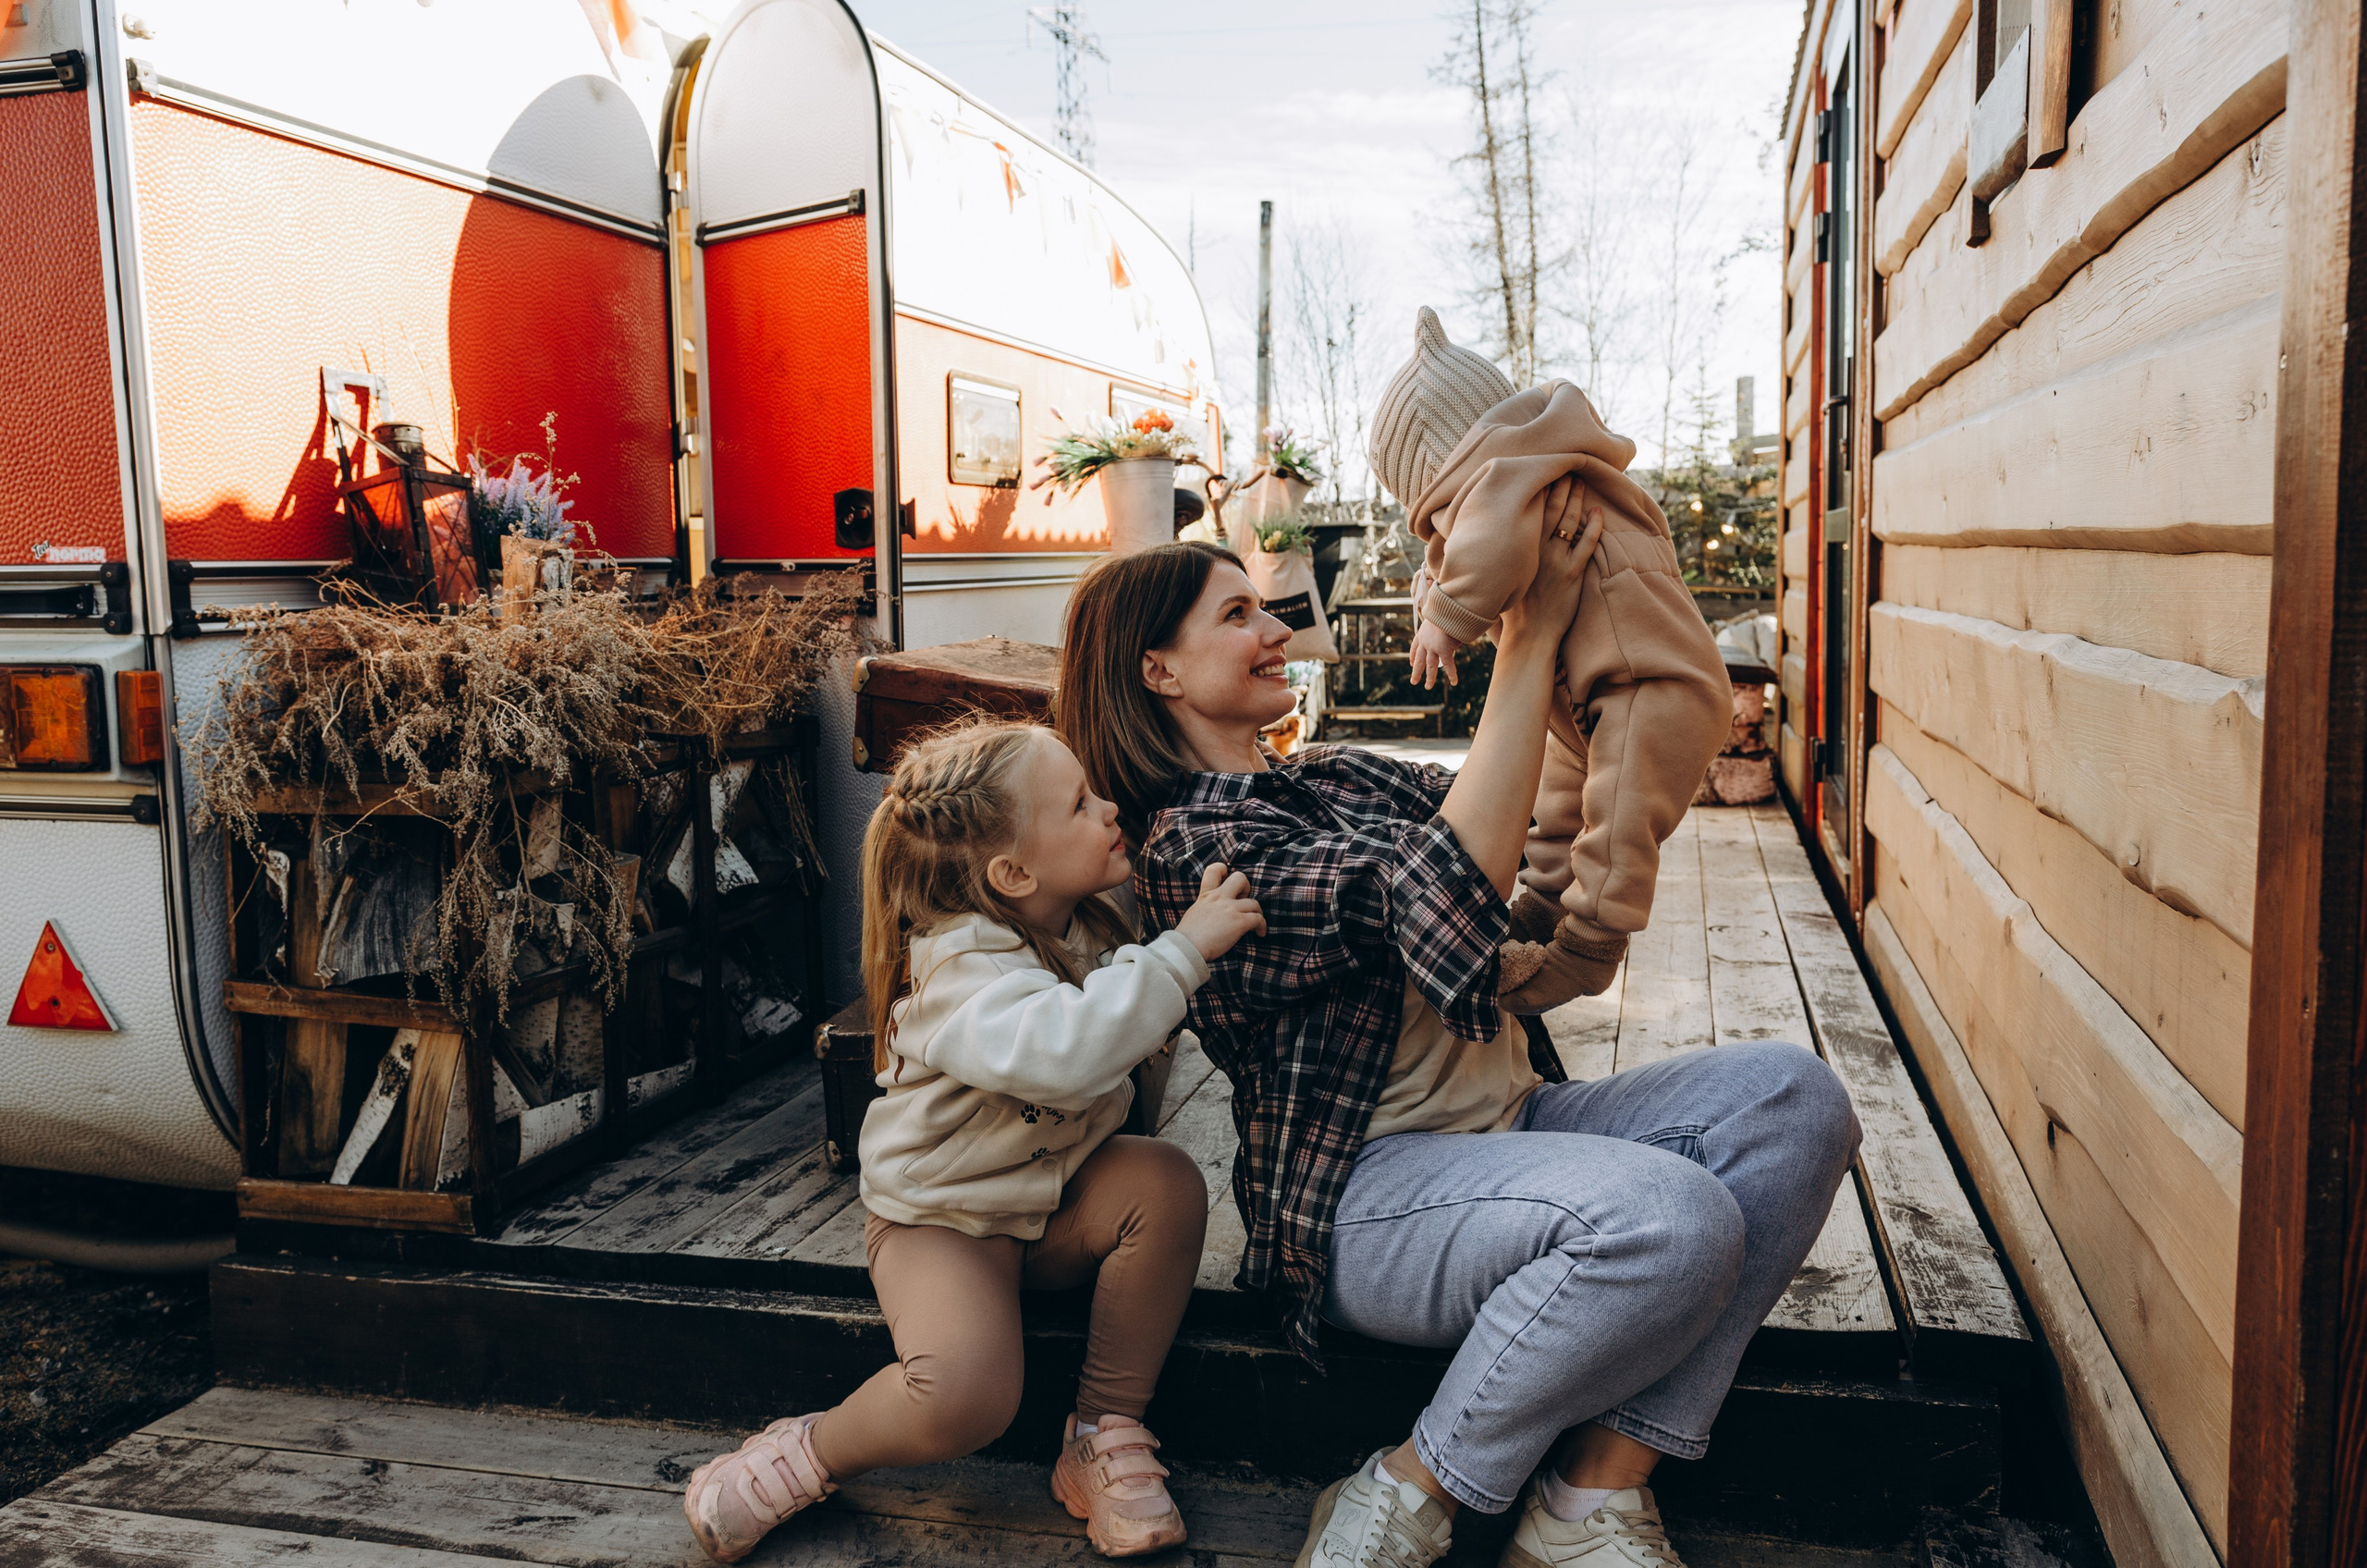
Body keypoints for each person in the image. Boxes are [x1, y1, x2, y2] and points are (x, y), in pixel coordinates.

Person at [1054, 542, 1861, 1568]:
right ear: (1156, 670)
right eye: (1235, 616)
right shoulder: (1189, 850)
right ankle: (1409, 1487)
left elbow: (1505, 804)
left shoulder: (1331, 773)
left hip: (1514, 1126)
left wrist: (1568, 622)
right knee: (1669, 1216)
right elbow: (1449, 882)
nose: (1274, 633)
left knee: (1794, 1098)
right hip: (1365, 1201)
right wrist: (1519, 642)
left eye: (1266, 610)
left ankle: (1588, 1500)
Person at [681, 719, 1266, 1563]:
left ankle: (1101, 1435)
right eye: (1080, 803)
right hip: (941, 1224)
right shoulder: (962, 974)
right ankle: (809, 1451)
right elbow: (1070, 1053)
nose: (1108, 810)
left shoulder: (1082, 916)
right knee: (965, 1397)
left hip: (1047, 1198)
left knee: (1166, 1184)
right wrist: (1186, 952)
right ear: (1014, 872)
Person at [1374, 306, 1734, 1007]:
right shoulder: (1532, 472)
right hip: (1597, 689)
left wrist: (1443, 620)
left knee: (1618, 818)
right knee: (1559, 800)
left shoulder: (1508, 482)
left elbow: (1485, 549)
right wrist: (1438, 589)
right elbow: (1472, 552)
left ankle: (1592, 941)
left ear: (1439, 472)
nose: (1436, 529)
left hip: (1651, 686)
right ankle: (1539, 908)